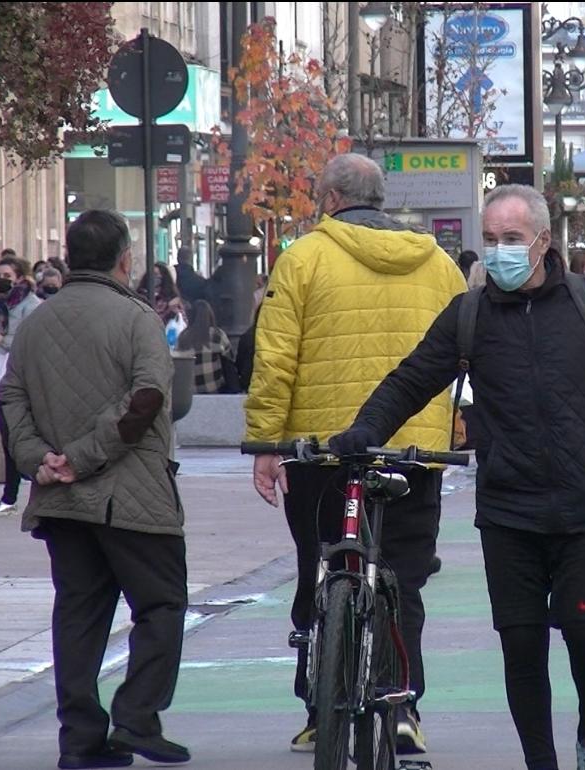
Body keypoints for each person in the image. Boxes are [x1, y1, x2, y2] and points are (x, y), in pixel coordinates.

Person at [328, 183, 585, 770]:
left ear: (544, 241)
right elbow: (411, 378)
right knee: (522, 647)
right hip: (507, 510)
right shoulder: (469, 314)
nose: (500, 250)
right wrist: (365, 428)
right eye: (492, 239)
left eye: (513, 239)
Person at [243, 153, 466, 755]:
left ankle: (321, 706)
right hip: (412, 451)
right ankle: (403, 709)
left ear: (331, 199)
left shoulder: (303, 259)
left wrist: (266, 443)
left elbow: (275, 359)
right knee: (405, 581)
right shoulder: (441, 265)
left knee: (320, 564)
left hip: (320, 452)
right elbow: (465, 353)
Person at [0, 210, 190, 769]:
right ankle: (137, 719)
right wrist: (81, 460)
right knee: (161, 603)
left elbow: (8, 402)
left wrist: (41, 461)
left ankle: (80, 741)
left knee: (79, 616)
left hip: (61, 501)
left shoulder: (36, 321)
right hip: (132, 498)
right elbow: (147, 397)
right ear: (124, 260)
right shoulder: (136, 318)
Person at [0, 256, 43, 517]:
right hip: (4, 370)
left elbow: (31, 339)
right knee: (6, 430)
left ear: (20, 278)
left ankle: (16, 489)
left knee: (14, 432)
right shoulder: (1, 303)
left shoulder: (31, 305)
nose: (1, 279)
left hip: (22, 376)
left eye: (7, 275)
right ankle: (13, 490)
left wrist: (3, 339)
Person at [174, 299, 235, 394]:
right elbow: (229, 359)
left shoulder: (182, 337)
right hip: (215, 390)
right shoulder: (217, 335)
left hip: (190, 393)